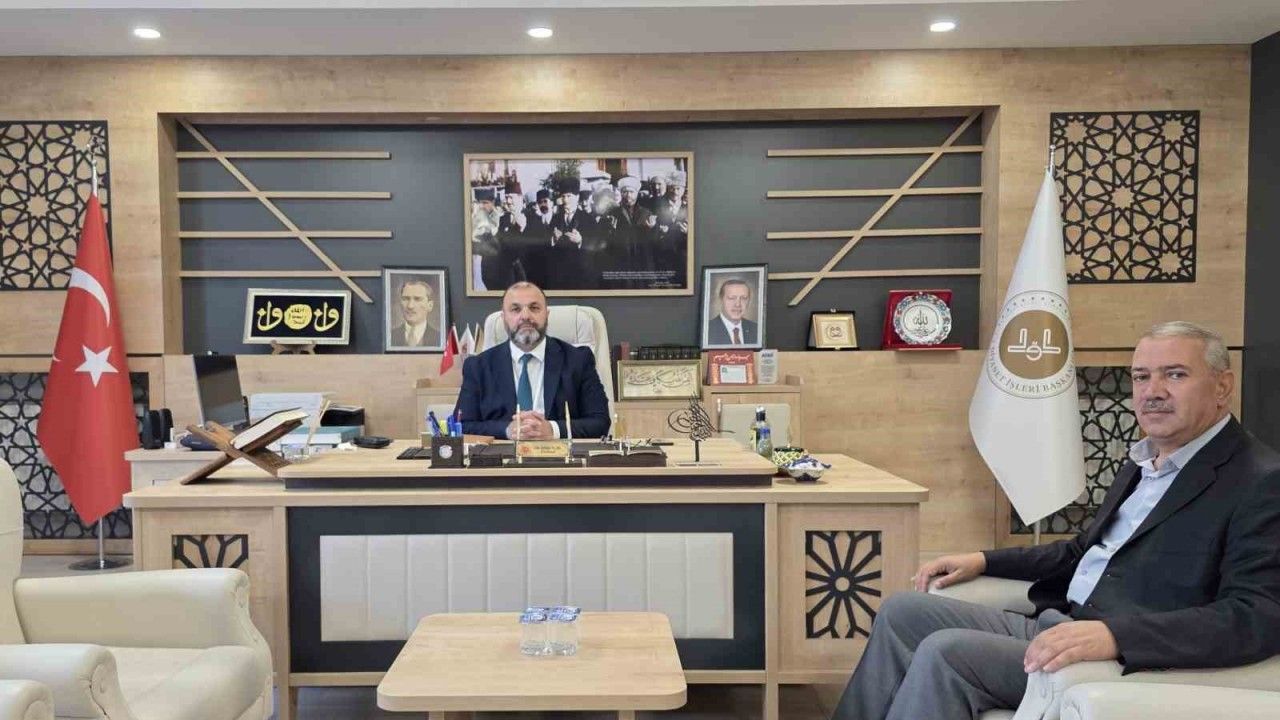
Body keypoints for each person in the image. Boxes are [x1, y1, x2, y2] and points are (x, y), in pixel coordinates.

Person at [831, 321, 1280, 720]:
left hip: (1118, 653)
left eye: (1175, 375)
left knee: (946, 653)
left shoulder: (1259, 480)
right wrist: (983, 560)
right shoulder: (1145, 460)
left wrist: (1115, 635)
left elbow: (1258, 615)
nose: (1152, 391)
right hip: (1061, 621)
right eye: (1141, 376)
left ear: (1222, 386)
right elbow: (1081, 552)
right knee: (903, 611)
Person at [454, 282, 611, 440]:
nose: (525, 316)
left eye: (534, 308)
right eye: (515, 309)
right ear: (503, 318)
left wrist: (553, 429)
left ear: (546, 315)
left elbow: (600, 422)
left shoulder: (578, 360)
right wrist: (506, 430)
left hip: (559, 453)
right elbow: (461, 425)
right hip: (501, 453)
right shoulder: (478, 367)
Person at [706, 278, 758, 346]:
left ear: (749, 301)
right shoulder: (707, 330)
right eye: (732, 298)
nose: (738, 304)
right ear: (721, 300)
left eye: (743, 298)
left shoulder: (756, 329)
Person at [388, 278, 439, 347]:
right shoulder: (389, 336)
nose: (410, 306)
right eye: (405, 299)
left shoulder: (440, 338)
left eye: (417, 299)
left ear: (430, 305)